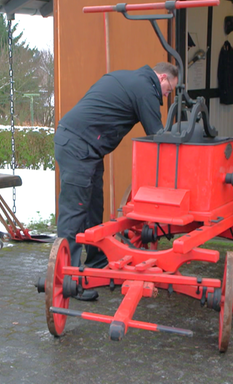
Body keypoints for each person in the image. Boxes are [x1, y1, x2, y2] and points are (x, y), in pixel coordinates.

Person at [54, 62, 179, 301]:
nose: (166, 96)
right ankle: (69, 279)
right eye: (168, 90)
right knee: (75, 212)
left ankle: (97, 264)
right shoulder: (145, 88)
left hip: (86, 146)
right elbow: (157, 135)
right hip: (78, 146)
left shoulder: (128, 77)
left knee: (93, 208)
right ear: (162, 78)